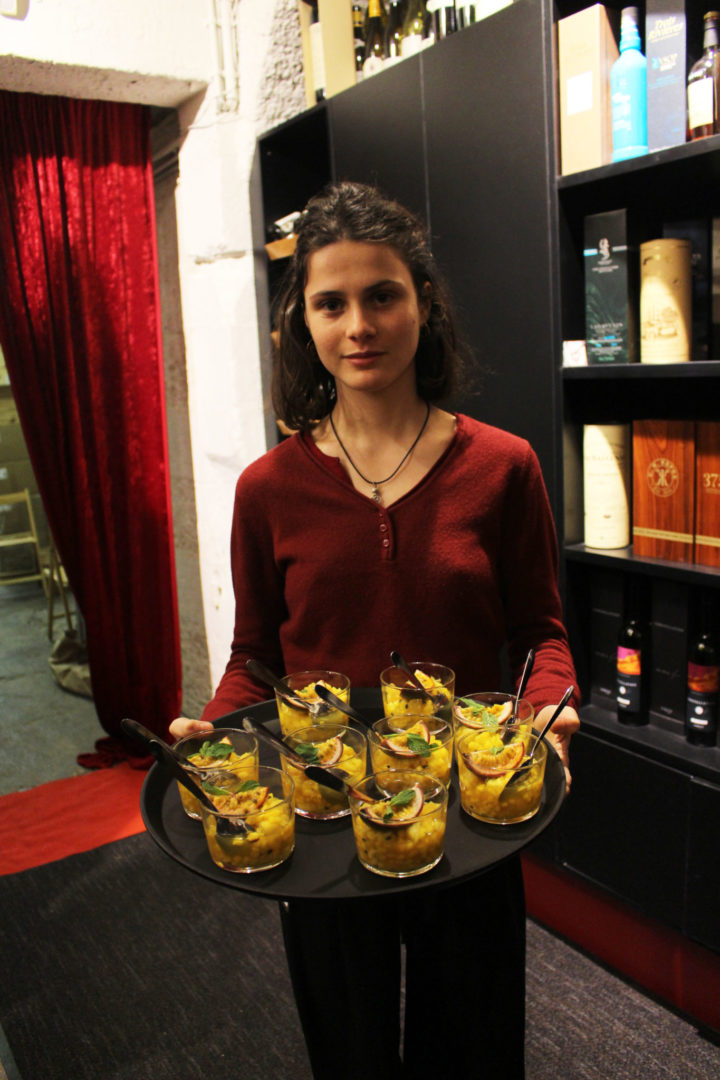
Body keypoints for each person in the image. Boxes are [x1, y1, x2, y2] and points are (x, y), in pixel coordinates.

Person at [170, 180, 580, 1079]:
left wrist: (550, 704)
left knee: (471, 1049)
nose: (358, 325)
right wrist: (216, 727)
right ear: (304, 321)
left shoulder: (503, 467)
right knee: (348, 1050)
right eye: (332, 303)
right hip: (325, 821)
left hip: (467, 813)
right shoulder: (268, 490)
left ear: (423, 304)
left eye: (382, 295)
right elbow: (256, 658)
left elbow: (541, 633)